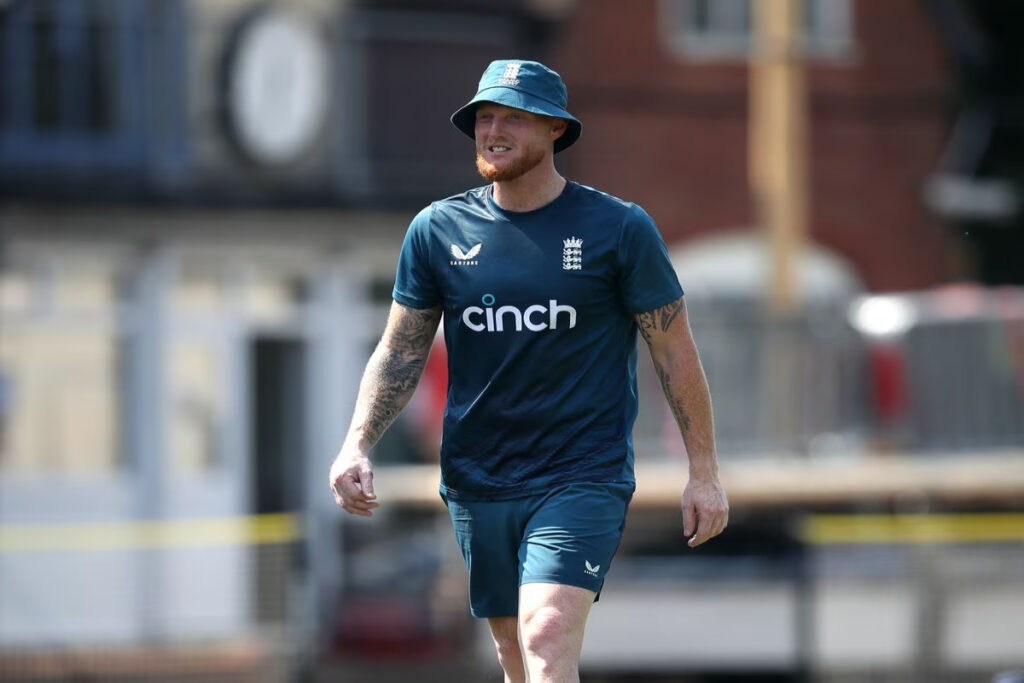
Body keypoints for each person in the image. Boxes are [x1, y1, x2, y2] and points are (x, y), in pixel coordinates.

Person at [329, 59, 728, 683]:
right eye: (484, 118)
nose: (493, 131)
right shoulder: (436, 230)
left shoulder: (619, 229)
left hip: (581, 473)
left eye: (513, 118)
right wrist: (356, 443)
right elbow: (401, 349)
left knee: (545, 630)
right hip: (478, 475)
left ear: (555, 130)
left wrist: (703, 473)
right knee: (516, 654)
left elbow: (674, 350)